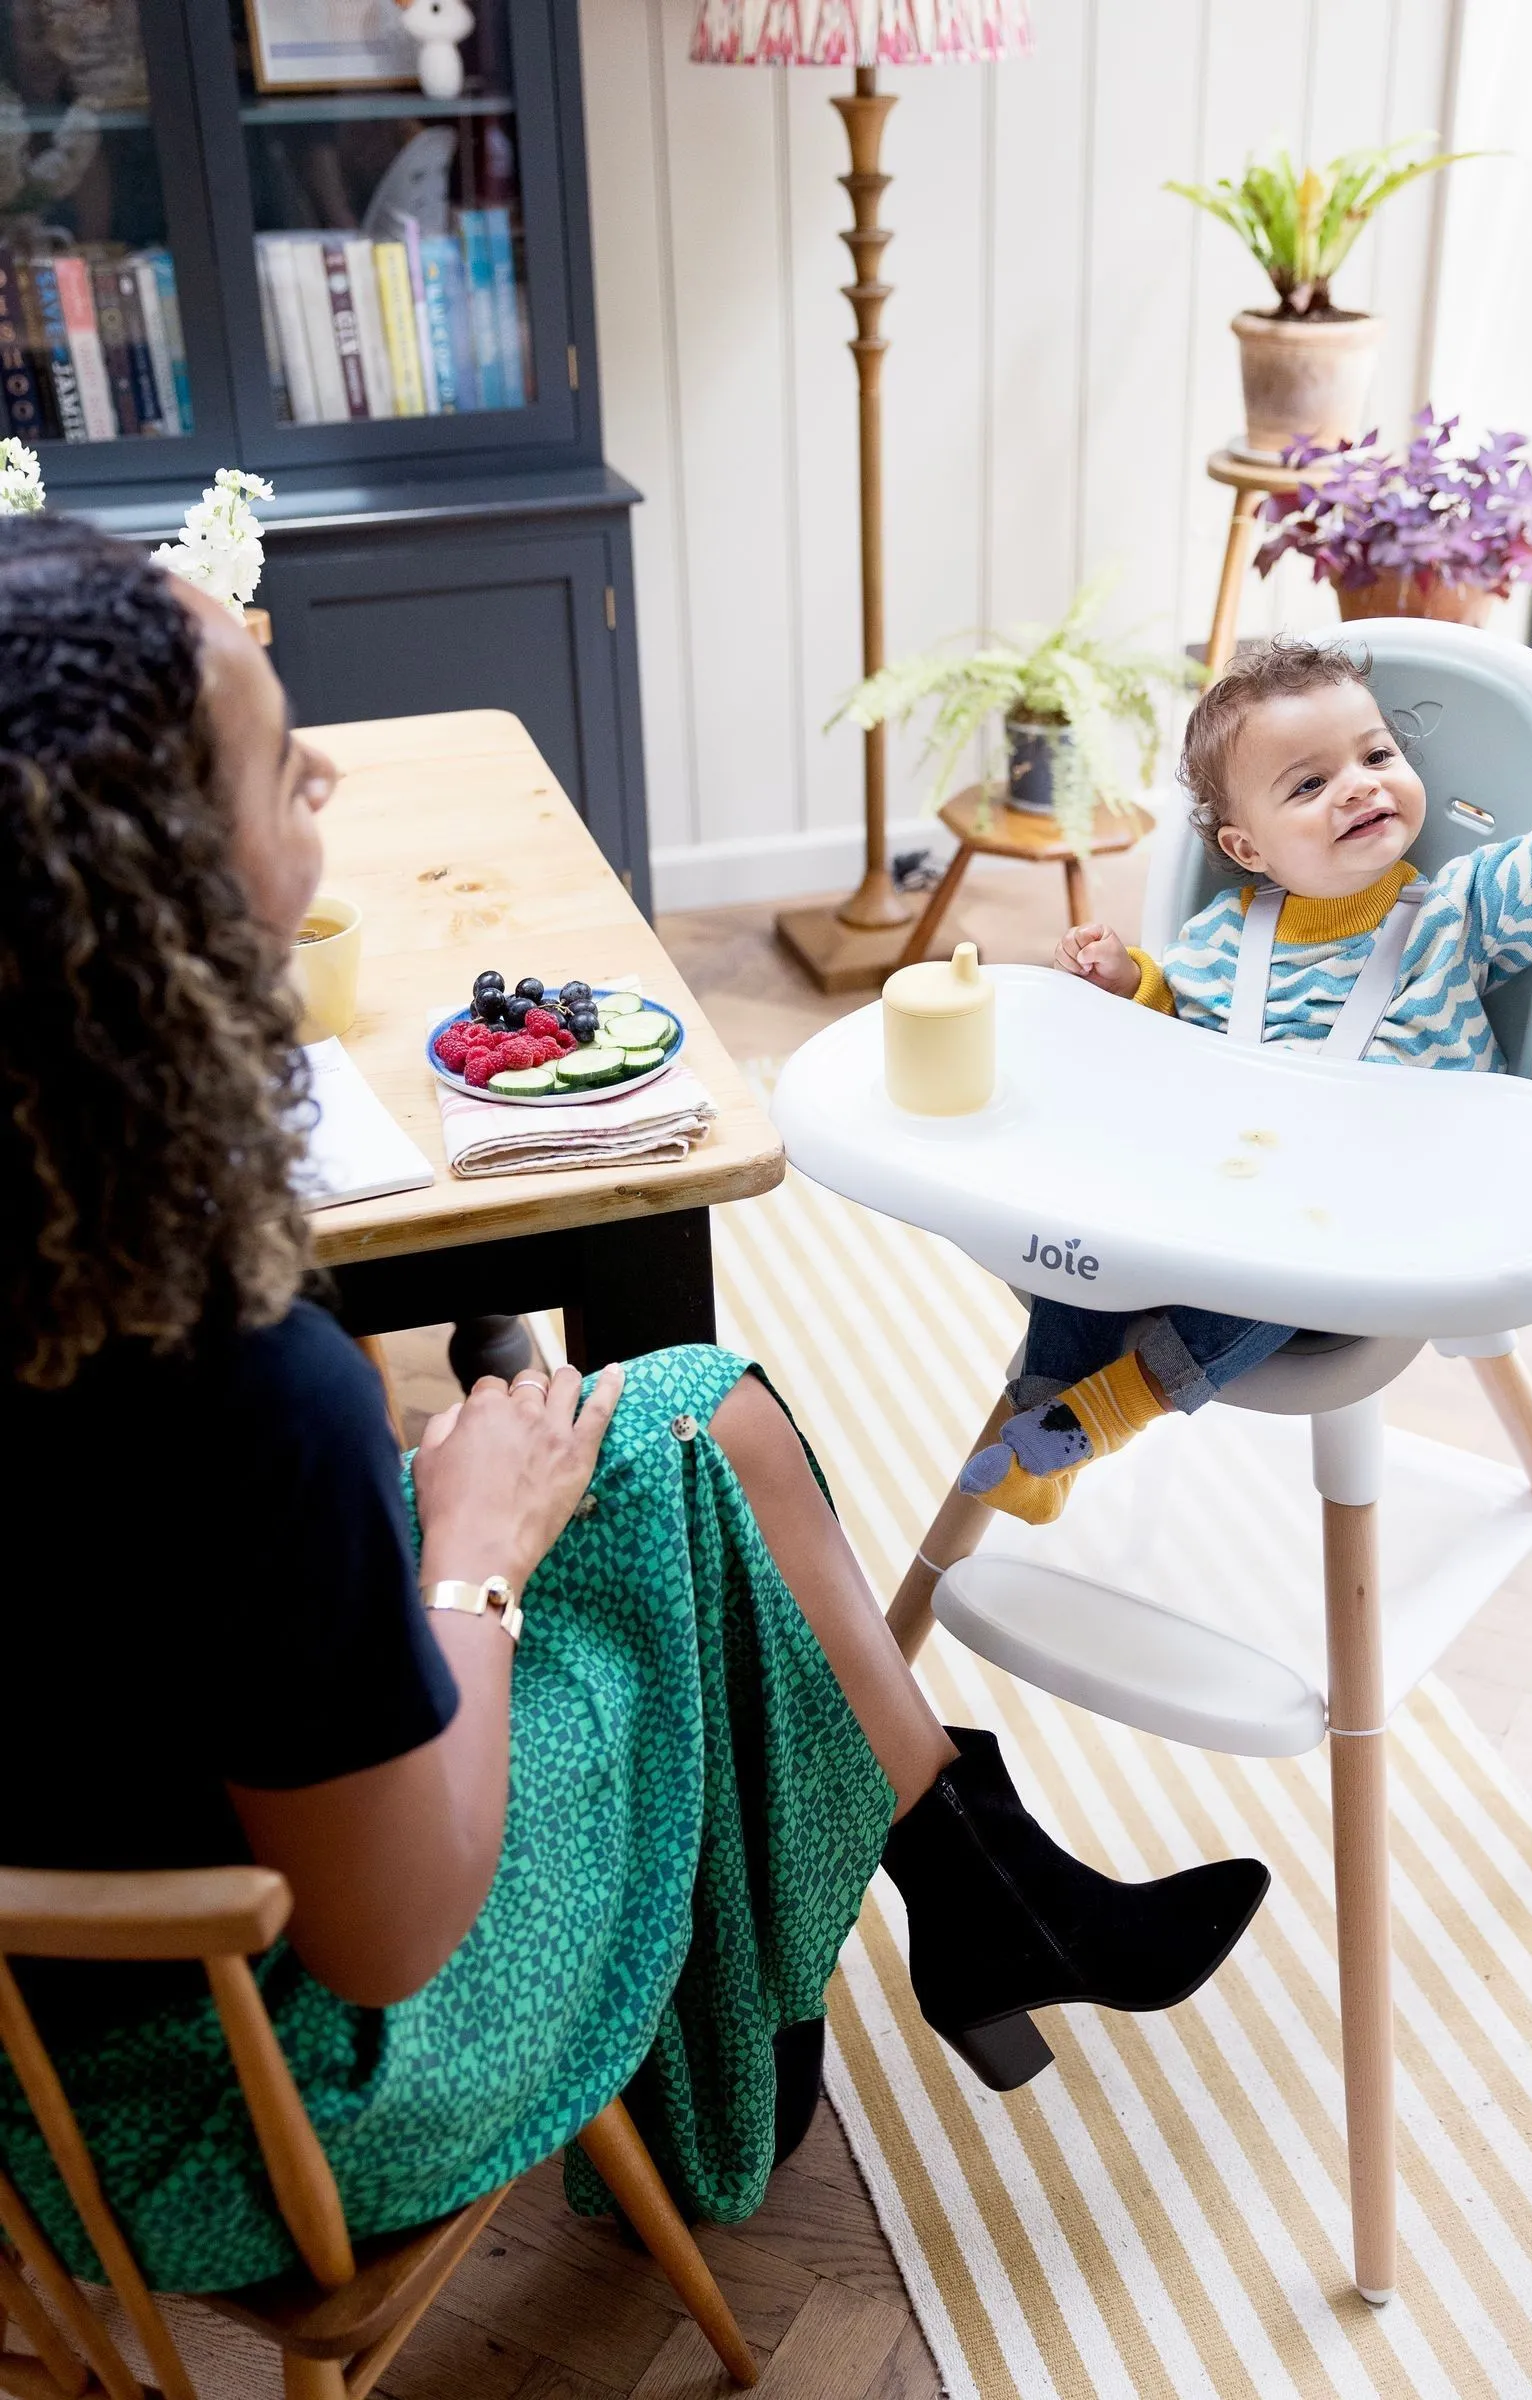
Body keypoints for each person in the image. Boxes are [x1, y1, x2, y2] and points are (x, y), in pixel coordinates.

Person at [0, 514, 1267, 2296]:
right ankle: (840, 1993)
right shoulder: (237, 1386)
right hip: (230, 2104)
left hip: (58, 1986)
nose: (327, 778)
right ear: (150, 900)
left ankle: (983, 1894)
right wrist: (474, 1554)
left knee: (696, 1413)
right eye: (284, 771)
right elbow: (389, 1936)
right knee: (690, 1551)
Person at [964, 636, 1532, 1525]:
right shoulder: (1223, 938)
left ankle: (1104, 1416)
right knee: (1085, 1216)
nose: (1358, 786)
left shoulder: (1459, 909)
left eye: (1377, 756)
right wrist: (1125, 985)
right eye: (1308, 785)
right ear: (1246, 846)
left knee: (1278, 1277)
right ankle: (1039, 1418)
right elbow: (1167, 1049)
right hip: (1219, 1197)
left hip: (1369, 1229)